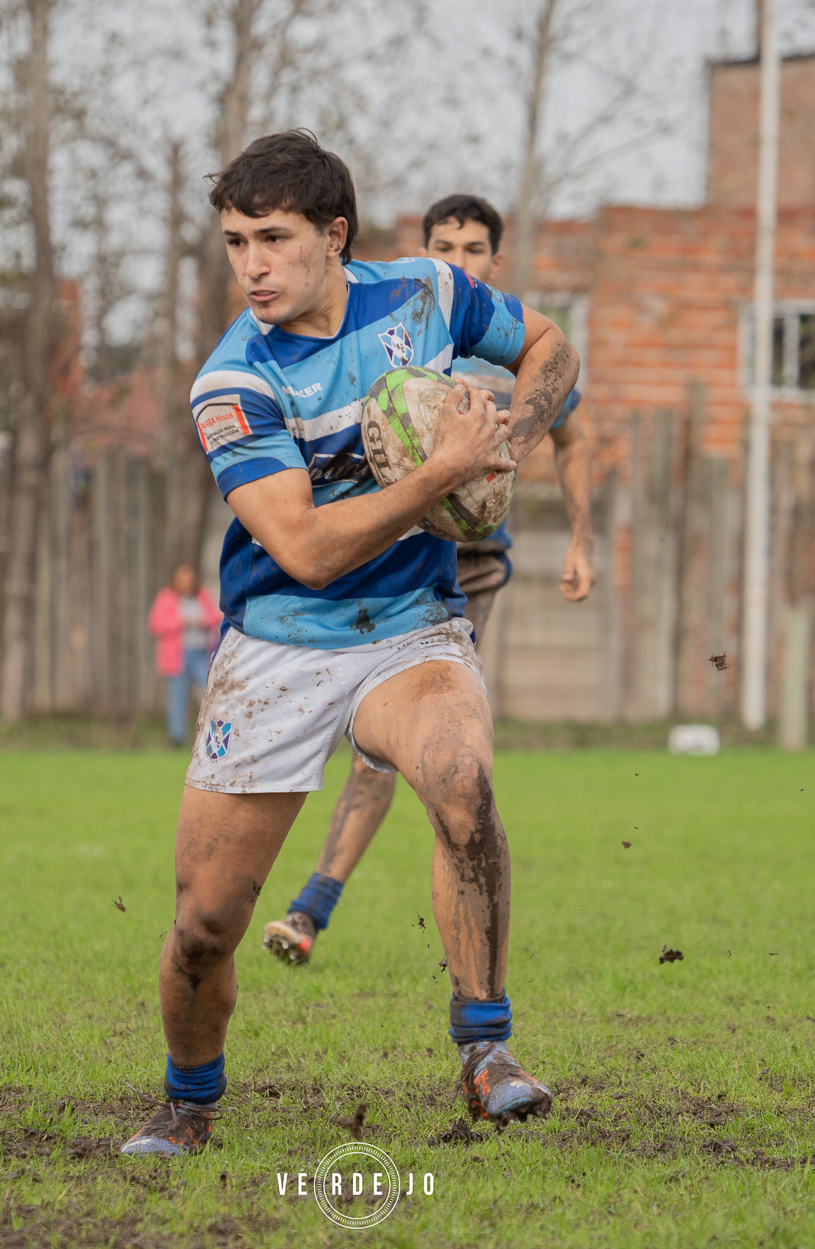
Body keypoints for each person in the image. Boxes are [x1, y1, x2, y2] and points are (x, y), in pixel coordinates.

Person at [119, 132, 579, 1157]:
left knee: (461, 781)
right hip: (280, 643)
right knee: (204, 925)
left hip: (412, 624)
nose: (252, 265)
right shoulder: (233, 380)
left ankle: (486, 1049)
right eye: (236, 242)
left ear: (335, 236)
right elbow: (307, 549)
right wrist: (441, 471)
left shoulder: (427, 292)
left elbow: (553, 347)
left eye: (273, 239)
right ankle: (189, 1099)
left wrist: (508, 441)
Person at [261, 192, 595, 968]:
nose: (457, 260)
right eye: (444, 246)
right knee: (385, 745)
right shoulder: (409, 337)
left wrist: (580, 537)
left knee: (421, 751)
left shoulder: (503, 349)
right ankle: (325, 904)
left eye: (474, 249)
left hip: (470, 564)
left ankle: (318, 907)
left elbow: (574, 437)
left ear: (494, 261)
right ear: (424, 250)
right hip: (384, 553)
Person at [147, 564, 221, 746]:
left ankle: (212, 736)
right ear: (175, 580)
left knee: (210, 693)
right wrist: (181, 621)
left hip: (201, 654)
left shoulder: (202, 596)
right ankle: (177, 737)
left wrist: (203, 621)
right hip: (177, 657)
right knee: (178, 698)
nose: (186, 583)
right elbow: (156, 624)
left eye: (189, 579)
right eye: (182, 580)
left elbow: (216, 617)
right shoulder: (167, 598)